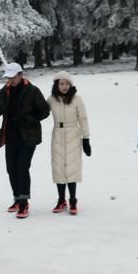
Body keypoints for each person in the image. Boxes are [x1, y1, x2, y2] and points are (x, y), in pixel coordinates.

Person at [0, 62, 50, 219]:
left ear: (20, 74)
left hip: (28, 136)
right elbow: (1, 106)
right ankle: (17, 198)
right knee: (11, 169)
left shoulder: (32, 91)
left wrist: (32, 118)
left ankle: (24, 203)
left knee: (22, 168)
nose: (10, 80)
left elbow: (45, 110)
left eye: (13, 76)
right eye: (8, 77)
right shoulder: (5, 90)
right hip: (10, 135)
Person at [47, 71, 91, 215]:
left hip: (73, 134)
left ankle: (73, 200)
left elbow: (83, 118)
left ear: (71, 85)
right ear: (57, 85)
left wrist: (86, 139)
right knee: (59, 168)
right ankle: (61, 200)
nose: (64, 86)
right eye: (61, 83)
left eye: (67, 84)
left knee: (72, 168)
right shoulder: (51, 100)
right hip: (57, 134)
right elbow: (40, 112)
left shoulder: (77, 99)